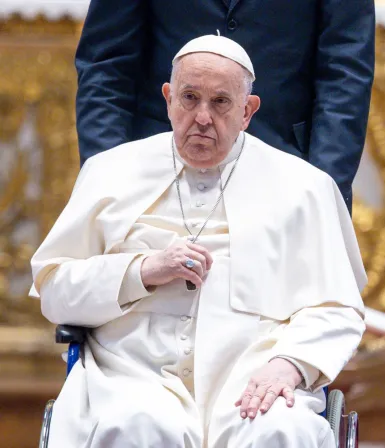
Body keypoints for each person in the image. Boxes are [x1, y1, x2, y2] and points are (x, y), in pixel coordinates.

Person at [31, 35, 366, 448]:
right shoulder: (109, 172)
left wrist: (290, 364)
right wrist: (141, 271)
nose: (202, 117)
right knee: (136, 425)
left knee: (283, 430)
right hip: (133, 372)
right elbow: (56, 291)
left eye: (221, 102)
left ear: (248, 111)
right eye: (189, 98)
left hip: (254, 374)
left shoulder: (306, 188)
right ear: (168, 98)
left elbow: (337, 307)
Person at [74, 0, 375, 212]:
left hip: (284, 170)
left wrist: (323, 190)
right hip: (153, 174)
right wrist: (107, 179)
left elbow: (344, 73)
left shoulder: (305, 188)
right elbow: (106, 65)